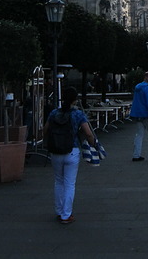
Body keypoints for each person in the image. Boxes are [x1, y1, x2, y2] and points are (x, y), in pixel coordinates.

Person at [44, 86, 95, 224]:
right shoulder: (77, 114)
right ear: (75, 99)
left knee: (58, 181)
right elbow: (88, 133)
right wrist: (93, 144)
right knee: (69, 184)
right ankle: (66, 215)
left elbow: (45, 129)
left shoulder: (54, 113)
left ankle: (59, 210)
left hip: (55, 151)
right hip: (72, 150)